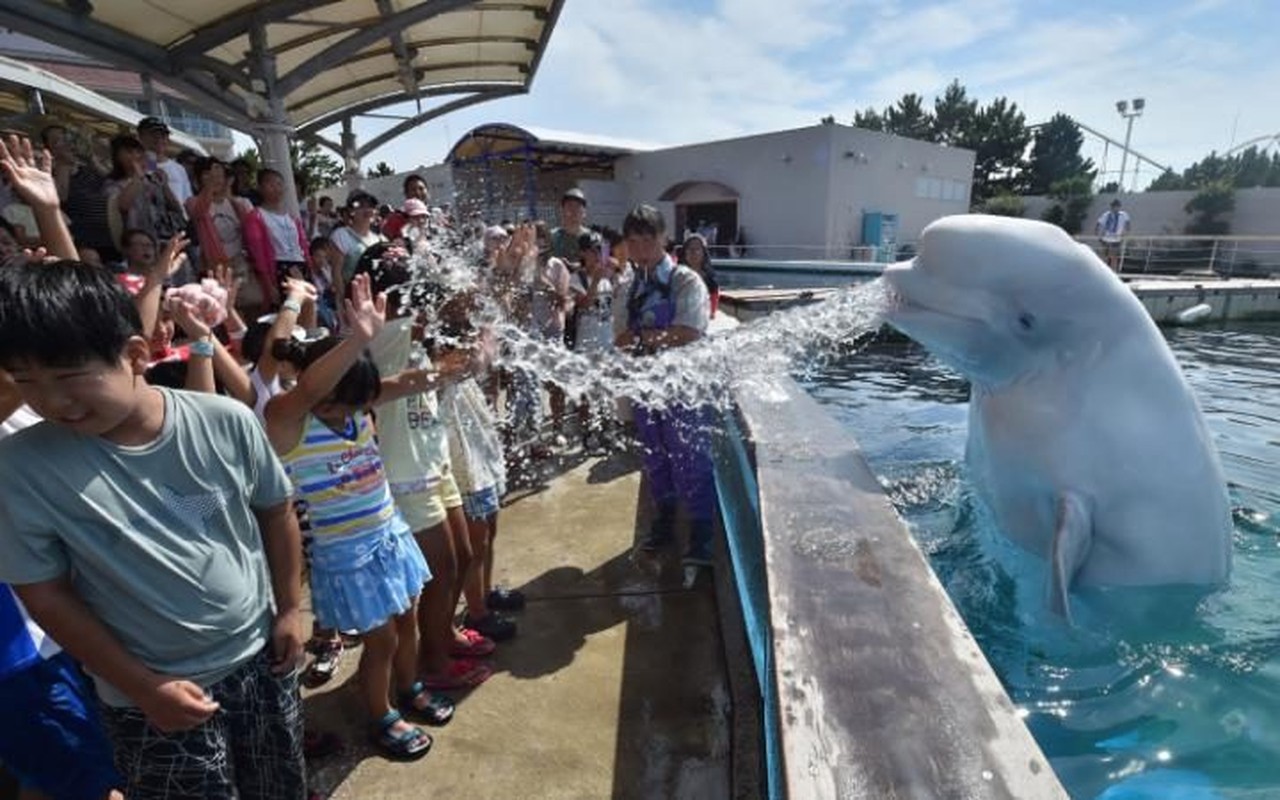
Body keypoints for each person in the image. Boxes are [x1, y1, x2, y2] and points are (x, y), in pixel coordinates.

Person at [0, 260, 309, 798]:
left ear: (135, 354)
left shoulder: (225, 420)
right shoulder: (20, 467)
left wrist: (289, 609)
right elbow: (45, 596)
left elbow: (276, 511)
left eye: (69, 377)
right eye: (26, 382)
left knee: (278, 786)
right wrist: (143, 687)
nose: (51, 402)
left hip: (263, 658)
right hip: (152, 694)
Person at [264, 274, 445, 760]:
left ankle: (408, 688)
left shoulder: (355, 406)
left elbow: (408, 382)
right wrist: (358, 338)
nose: (352, 412)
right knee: (381, 640)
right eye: (341, 402)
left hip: (388, 537)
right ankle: (381, 715)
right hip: (348, 555)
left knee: (406, 623)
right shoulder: (289, 421)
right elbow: (307, 391)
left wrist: (468, 364)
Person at [614, 204, 717, 567]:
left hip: (683, 390)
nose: (640, 248)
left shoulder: (686, 280)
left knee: (691, 457)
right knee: (655, 457)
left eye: (648, 239)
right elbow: (620, 339)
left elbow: (689, 332)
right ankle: (664, 522)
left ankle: (702, 533)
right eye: (633, 241)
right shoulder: (627, 286)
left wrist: (643, 336)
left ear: (663, 239)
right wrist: (654, 337)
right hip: (645, 388)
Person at [136, 117, 194, 210]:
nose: (159, 139)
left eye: (163, 136)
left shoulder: (179, 168)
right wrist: (150, 159)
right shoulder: (136, 166)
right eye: (153, 135)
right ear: (140, 137)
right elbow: (151, 173)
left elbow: (188, 200)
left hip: (177, 222)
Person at [1095, 198, 1131, 272]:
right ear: (1111, 207)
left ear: (1119, 207)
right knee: (1105, 256)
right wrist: (1098, 236)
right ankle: (1104, 272)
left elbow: (1128, 224)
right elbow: (1099, 223)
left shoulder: (1123, 215)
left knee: (1114, 257)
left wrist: (1125, 234)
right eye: (1114, 206)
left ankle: (1113, 272)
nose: (1115, 208)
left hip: (1116, 239)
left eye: (1117, 206)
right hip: (1106, 239)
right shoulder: (1106, 214)